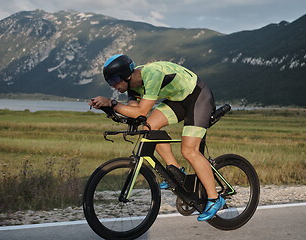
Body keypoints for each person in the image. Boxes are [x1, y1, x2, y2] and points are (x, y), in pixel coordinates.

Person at [89, 54, 225, 221]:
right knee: (149, 128)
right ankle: (175, 172)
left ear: (127, 75)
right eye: (110, 82)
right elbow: (134, 114)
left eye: (115, 80)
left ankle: (214, 198)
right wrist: (109, 110)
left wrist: (112, 103)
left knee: (189, 151)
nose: (114, 86)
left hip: (197, 97)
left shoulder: (151, 74)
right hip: (176, 100)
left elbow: (141, 111)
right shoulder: (131, 86)